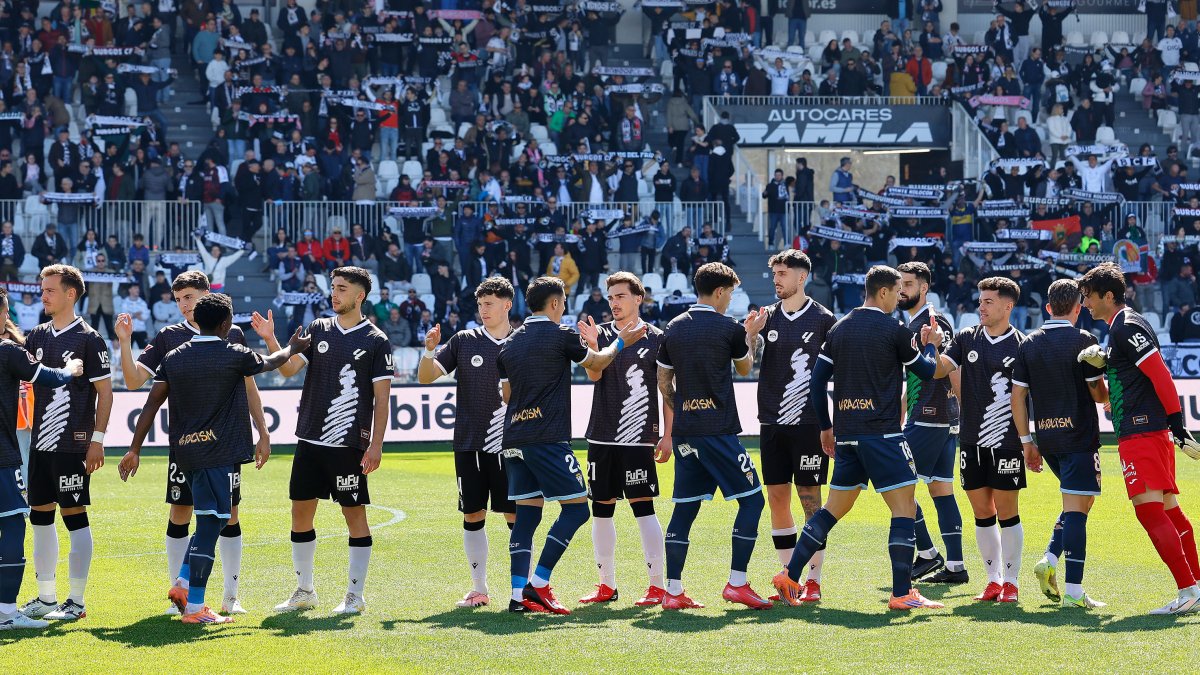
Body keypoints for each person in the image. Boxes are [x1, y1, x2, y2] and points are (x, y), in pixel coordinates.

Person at [122, 294, 307, 625]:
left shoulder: (174, 356)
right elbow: (271, 362)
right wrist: (293, 346)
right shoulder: (232, 353)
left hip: (185, 453)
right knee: (211, 523)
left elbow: (150, 405)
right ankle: (195, 607)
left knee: (213, 518)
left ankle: (181, 581)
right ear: (225, 324)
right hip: (218, 452)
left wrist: (134, 448)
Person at [771, 265, 945, 611]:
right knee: (904, 509)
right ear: (883, 292)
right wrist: (930, 346)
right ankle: (901, 593)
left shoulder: (839, 328)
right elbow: (926, 372)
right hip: (882, 435)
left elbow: (817, 383)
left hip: (848, 435)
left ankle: (789, 575)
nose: (899, 298)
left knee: (832, 509)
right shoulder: (893, 329)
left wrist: (826, 426)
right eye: (896, 292)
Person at [497, 276, 647, 614]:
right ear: (554, 304)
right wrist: (620, 343)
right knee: (578, 508)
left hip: (513, 439)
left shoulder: (508, 343)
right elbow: (595, 362)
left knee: (526, 517)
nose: (563, 308)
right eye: (562, 303)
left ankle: (517, 596)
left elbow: (506, 395)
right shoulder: (560, 333)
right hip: (547, 438)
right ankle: (538, 584)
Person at [252, 267, 394, 615]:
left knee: (354, 515)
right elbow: (287, 370)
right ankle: (304, 590)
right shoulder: (318, 329)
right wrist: (272, 339)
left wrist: (375, 445)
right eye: (333, 287)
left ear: (360, 296)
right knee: (300, 512)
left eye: (342, 289)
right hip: (310, 440)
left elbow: (382, 399)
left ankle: (355, 596)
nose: (335, 294)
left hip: (348, 445)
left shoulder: (376, 341)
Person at [1077, 262, 1200, 614]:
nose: (1085, 303)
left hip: (1142, 431)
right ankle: (1196, 586)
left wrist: (1177, 424)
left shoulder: (1127, 326)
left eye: (1088, 296)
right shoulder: (1120, 328)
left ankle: (1187, 591)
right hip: (1143, 430)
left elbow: (1160, 372)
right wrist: (1092, 375)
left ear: (1109, 296)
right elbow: (1106, 395)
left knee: (1150, 513)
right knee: (1170, 513)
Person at [656, 262, 772, 610]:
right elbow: (745, 366)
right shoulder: (729, 328)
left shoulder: (672, 328)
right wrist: (750, 334)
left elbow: (663, 382)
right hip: (718, 431)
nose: (730, 300)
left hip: (686, 432)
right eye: (731, 293)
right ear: (720, 292)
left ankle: (672, 591)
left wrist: (684, 408)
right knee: (753, 500)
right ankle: (737, 582)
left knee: (685, 508)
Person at [415, 277, 518, 609]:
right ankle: (479, 588)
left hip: (513, 445)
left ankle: (522, 587)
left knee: (516, 516)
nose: (483, 310)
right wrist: (429, 350)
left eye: (489, 304)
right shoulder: (464, 340)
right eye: (480, 304)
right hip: (469, 443)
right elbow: (426, 377)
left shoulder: (523, 342)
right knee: (474, 513)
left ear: (507, 305)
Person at [19, 265, 113, 622]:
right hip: (39, 445)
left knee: (74, 516)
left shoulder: (89, 338)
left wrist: (97, 440)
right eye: (42, 289)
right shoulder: (37, 335)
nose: (43, 295)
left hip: (72, 444)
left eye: (50, 290)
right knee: (39, 518)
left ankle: (76, 602)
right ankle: (45, 598)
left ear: (70, 294)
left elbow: (105, 393)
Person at [1010, 279, 1109, 609]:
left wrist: (1027, 441)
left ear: (1048, 307)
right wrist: (1106, 390)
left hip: (1048, 438)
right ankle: (1074, 591)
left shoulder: (1029, 343)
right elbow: (1097, 394)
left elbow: (1018, 395)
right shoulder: (1084, 340)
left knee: (1078, 504)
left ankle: (1050, 558)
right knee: (1079, 510)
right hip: (1079, 437)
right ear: (1078, 309)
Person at [576, 272, 670, 606]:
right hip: (601, 436)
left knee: (643, 508)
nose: (614, 302)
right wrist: (591, 345)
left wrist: (668, 435)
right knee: (601, 510)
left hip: (639, 438)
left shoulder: (657, 338)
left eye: (620, 296)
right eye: (611, 296)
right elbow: (593, 373)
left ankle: (657, 585)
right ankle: (606, 585)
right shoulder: (599, 334)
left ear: (637, 298)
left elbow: (666, 388)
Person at [931, 276, 1026, 603]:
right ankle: (993, 580)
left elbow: (1030, 397)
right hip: (971, 441)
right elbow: (940, 369)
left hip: (1008, 442)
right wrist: (934, 345)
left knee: (1007, 511)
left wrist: (1032, 440)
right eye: (980, 300)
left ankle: (1011, 582)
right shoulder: (965, 338)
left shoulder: (1022, 345)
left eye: (988, 301)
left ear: (1007, 306)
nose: (981, 306)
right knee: (982, 511)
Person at [0, 286, 82, 631]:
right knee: (16, 523)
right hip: (2, 457)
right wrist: (71, 369)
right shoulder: (6, 350)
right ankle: (6, 612)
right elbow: (47, 376)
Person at [757, 251, 836, 602]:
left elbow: (836, 370)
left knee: (810, 501)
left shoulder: (824, 319)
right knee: (776, 498)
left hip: (808, 423)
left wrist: (831, 423)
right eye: (774, 272)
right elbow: (748, 362)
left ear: (801, 278)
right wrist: (749, 338)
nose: (776, 279)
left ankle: (814, 581)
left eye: (783, 273)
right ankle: (789, 578)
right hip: (772, 421)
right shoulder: (765, 318)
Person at [897, 262, 968, 585]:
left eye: (908, 284)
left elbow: (952, 368)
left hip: (931, 418)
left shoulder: (932, 322)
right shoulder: (915, 323)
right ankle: (955, 566)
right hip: (935, 419)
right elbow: (913, 375)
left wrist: (964, 413)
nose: (902, 290)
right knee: (941, 489)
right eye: (899, 284)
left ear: (924, 288)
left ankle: (926, 553)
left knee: (896, 482)